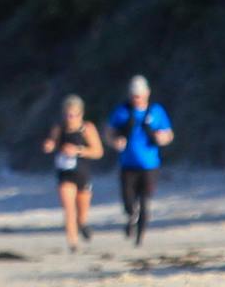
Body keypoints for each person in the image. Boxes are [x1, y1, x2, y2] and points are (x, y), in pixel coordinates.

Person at [107, 75, 173, 246]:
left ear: (147, 93)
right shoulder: (122, 111)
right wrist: (115, 141)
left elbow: (169, 134)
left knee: (145, 201)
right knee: (128, 201)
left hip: (150, 165)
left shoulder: (156, 111)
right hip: (127, 165)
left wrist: (161, 138)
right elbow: (108, 132)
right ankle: (131, 217)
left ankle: (140, 238)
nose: (136, 98)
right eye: (134, 95)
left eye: (139, 95)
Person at [41, 95, 103, 251]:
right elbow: (52, 143)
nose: (71, 118)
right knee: (68, 208)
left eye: (74, 115)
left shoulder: (87, 129)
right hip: (65, 173)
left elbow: (98, 152)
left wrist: (79, 150)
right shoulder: (59, 128)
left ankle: (82, 225)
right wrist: (49, 145)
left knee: (81, 214)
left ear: (81, 114)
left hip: (83, 174)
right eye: (68, 115)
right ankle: (73, 242)